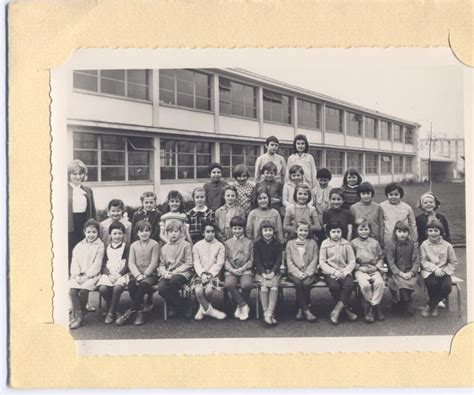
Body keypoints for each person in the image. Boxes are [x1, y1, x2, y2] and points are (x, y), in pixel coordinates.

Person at [116, 220, 159, 326]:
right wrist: (138, 275)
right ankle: (139, 311)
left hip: (150, 275)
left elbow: (154, 262)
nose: (144, 233)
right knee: (131, 285)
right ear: (137, 233)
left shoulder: (155, 244)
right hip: (136, 274)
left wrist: (145, 275)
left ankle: (131, 311)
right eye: (141, 231)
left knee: (144, 285)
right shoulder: (133, 245)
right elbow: (131, 262)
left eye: (147, 231)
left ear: (150, 232)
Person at [319, 221, 357, 325]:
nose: (336, 234)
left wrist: (345, 272)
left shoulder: (346, 244)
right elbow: (322, 262)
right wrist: (334, 271)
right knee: (334, 286)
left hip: (344, 271)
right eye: (333, 232)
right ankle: (346, 311)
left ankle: (336, 311)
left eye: (338, 231)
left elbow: (352, 261)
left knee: (349, 285)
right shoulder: (325, 244)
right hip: (330, 272)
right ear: (328, 233)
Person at [68, 219, 104, 329]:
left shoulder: (100, 245)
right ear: (84, 232)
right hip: (79, 275)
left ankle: (79, 318)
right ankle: (79, 315)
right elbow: (75, 262)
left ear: (98, 233)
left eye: (94, 232)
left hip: (92, 276)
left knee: (84, 290)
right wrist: (76, 275)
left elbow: (97, 264)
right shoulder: (79, 245)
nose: (91, 235)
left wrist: (86, 276)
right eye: (89, 232)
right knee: (73, 290)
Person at [420, 220, 457, 318]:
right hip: (429, 271)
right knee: (433, 284)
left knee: (447, 287)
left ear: (441, 232)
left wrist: (444, 271)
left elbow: (453, 262)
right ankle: (434, 306)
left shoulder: (447, 245)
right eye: (430, 231)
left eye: (436, 231)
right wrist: (435, 269)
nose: (433, 233)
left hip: (444, 271)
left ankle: (431, 305)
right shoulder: (424, 245)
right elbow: (423, 261)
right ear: (427, 232)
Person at [157, 219, 194, 319]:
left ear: (181, 232)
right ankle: (180, 304)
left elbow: (189, 263)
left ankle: (176, 306)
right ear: (167, 233)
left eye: (176, 231)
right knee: (161, 288)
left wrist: (175, 272)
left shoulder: (186, 245)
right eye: (170, 232)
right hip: (168, 273)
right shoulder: (164, 248)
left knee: (174, 281)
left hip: (183, 272)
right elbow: (161, 264)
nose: (173, 234)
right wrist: (164, 273)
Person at [351, 219, 386, 323]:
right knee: (365, 285)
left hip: (373, 267)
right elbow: (350, 259)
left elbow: (380, 257)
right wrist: (358, 267)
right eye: (361, 229)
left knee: (379, 283)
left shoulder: (375, 242)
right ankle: (374, 308)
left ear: (370, 230)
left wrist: (376, 267)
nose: (363, 231)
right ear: (357, 230)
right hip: (360, 269)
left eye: (366, 229)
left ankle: (372, 308)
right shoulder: (353, 243)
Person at [386, 220, 423, 315]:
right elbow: (391, 262)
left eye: (404, 232)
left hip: (409, 271)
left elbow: (416, 260)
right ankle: (405, 301)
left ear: (408, 232)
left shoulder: (412, 244)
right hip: (397, 272)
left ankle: (404, 300)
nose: (402, 234)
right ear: (395, 232)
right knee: (399, 282)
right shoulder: (391, 244)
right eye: (399, 232)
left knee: (411, 281)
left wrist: (411, 272)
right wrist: (400, 273)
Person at [192, 221, 227, 320]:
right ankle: (211, 311)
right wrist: (202, 273)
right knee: (198, 291)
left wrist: (211, 274)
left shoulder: (220, 246)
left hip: (214, 274)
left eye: (212, 231)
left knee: (208, 291)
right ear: (203, 233)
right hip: (200, 274)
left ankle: (202, 308)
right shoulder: (197, 246)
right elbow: (196, 262)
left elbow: (219, 263)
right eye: (208, 231)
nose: (210, 234)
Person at [97, 222, 130, 324]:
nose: (117, 236)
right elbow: (103, 265)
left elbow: (128, 265)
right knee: (102, 288)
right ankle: (116, 309)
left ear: (124, 234)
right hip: (109, 273)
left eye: (120, 234)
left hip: (121, 273)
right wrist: (109, 275)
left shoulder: (126, 247)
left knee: (117, 287)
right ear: (110, 235)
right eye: (114, 234)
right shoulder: (106, 247)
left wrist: (119, 275)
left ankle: (111, 312)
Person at [285, 221, 318, 322]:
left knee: (307, 283)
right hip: (294, 272)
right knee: (299, 283)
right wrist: (298, 273)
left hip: (309, 271)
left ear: (308, 231)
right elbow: (289, 261)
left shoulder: (313, 243)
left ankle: (300, 308)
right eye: (301, 230)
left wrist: (307, 273)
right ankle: (306, 310)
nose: (303, 233)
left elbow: (315, 259)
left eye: (305, 231)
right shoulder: (290, 244)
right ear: (296, 230)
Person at [224, 216, 254, 321]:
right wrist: (232, 270)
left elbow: (251, 260)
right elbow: (226, 260)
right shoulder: (227, 243)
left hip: (245, 269)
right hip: (232, 270)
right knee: (229, 284)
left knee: (246, 285)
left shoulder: (249, 242)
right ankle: (244, 305)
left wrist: (242, 268)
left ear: (243, 229)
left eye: (240, 228)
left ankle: (239, 305)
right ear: (232, 229)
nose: (237, 231)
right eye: (235, 228)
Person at [68, 159, 96, 269]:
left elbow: (92, 210)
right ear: (69, 175)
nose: (78, 176)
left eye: (80, 173)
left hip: (84, 223)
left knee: (84, 249)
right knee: (71, 249)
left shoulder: (88, 190)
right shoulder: (63, 189)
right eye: (74, 174)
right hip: (70, 224)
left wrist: (93, 225)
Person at [254, 221, 283, 326]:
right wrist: (263, 272)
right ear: (261, 232)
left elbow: (279, 260)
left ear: (273, 231)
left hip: (274, 271)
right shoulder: (257, 244)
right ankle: (267, 313)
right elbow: (257, 260)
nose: (268, 233)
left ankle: (269, 313)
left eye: (270, 230)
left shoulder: (278, 243)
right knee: (264, 287)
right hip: (261, 272)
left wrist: (273, 272)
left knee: (274, 286)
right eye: (265, 230)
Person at [380, 183, 418, 247]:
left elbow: (412, 224)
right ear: (387, 195)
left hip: (403, 238)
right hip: (388, 238)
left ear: (401, 195)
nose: (393, 197)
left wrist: (414, 239)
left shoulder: (407, 207)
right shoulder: (381, 206)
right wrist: (381, 240)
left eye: (396, 194)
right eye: (391, 195)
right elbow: (380, 224)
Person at [350, 182, 384, 248]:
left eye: (368, 193)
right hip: (360, 240)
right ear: (359, 195)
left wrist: (381, 240)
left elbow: (381, 224)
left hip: (374, 238)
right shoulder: (354, 207)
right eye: (363, 194)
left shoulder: (378, 207)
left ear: (372, 194)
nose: (366, 196)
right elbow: (353, 226)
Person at [312, 167, 333, 243]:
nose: (323, 182)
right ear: (317, 179)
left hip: (329, 217)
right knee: (318, 237)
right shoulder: (314, 191)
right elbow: (312, 205)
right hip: (317, 217)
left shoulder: (332, 190)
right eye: (321, 180)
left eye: (325, 180)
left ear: (329, 180)